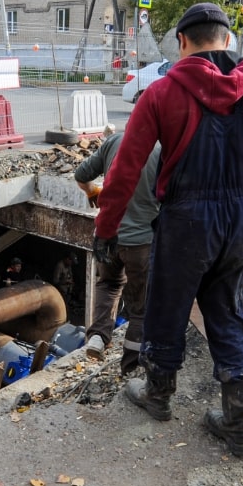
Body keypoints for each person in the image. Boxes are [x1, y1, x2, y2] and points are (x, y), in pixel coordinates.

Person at [92, 2, 243, 457]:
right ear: (228, 39)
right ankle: (237, 422)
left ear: (181, 43)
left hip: (185, 220)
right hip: (239, 219)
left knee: (166, 307)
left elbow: (125, 171)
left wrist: (106, 229)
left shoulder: (160, 93)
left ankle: (158, 395)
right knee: (229, 310)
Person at [75, 132, 162, 374]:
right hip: (141, 243)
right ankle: (130, 368)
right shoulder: (165, 149)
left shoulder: (115, 140)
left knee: (109, 284)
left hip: (107, 237)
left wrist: (92, 191)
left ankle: (98, 336)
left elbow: (81, 176)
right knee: (140, 310)